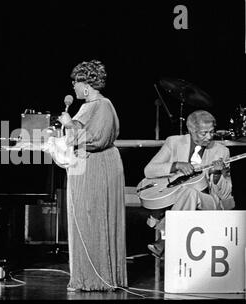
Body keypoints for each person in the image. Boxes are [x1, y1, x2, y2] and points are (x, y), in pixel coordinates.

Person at [57, 60, 127, 291]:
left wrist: (70, 126)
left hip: (98, 167)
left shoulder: (103, 105)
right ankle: (84, 277)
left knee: (94, 217)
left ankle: (99, 278)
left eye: (76, 82)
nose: (73, 87)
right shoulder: (87, 106)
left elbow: (97, 139)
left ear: (86, 84)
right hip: (84, 166)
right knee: (83, 219)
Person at [144, 110, 235, 258]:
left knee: (190, 192)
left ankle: (164, 240)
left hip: (209, 201)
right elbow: (149, 171)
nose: (209, 137)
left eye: (212, 132)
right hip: (177, 197)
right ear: (191, 131)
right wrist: (176, 165)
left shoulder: (222, 151)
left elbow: (226, 194)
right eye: (203, 133)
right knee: (188, 192)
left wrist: (217, 175)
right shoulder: (174, 142)